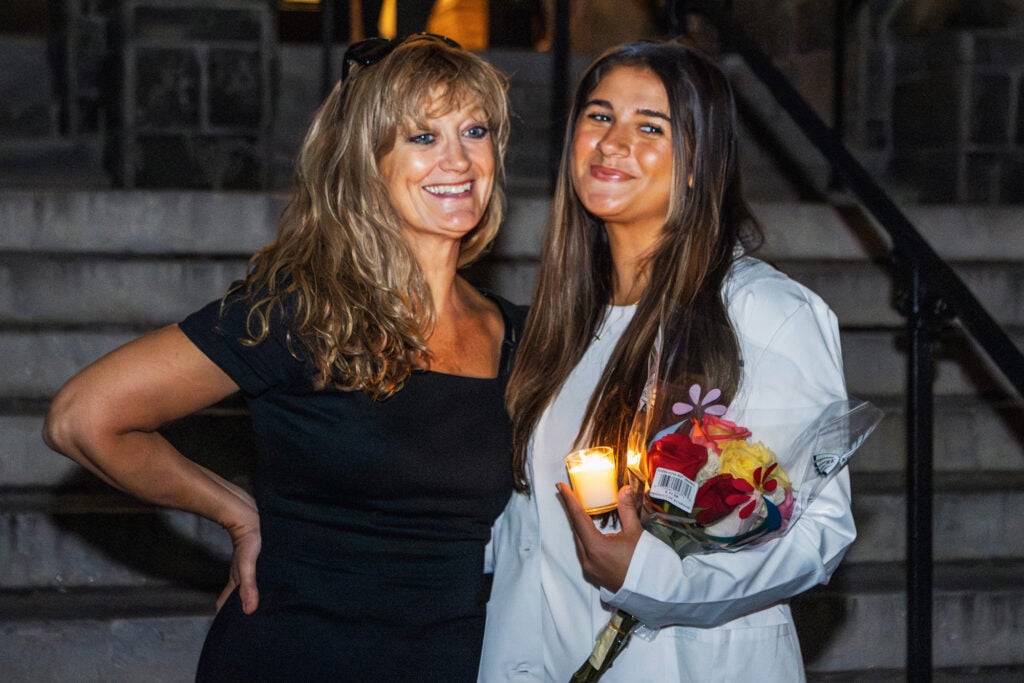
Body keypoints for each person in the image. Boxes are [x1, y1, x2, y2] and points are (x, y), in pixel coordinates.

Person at [43, 34, 521, 681]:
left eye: (474, 130)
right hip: (296, 655)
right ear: (369, 161)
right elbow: (83, 416)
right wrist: (234, 511)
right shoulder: (302, 313)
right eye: (423, 137)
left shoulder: (521, 335)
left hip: (453, 660)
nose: (459, 159)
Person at [479, 40, 853, 682]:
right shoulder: (566, 320)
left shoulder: (764, 312)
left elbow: (818, 530)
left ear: (696, 162)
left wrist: (650, 574)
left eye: (649, 126)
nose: (611, 142)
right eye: (598, 117)